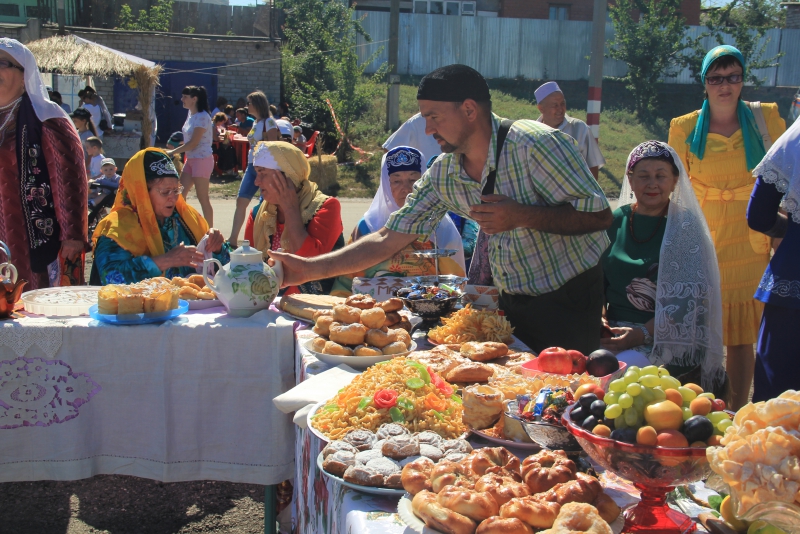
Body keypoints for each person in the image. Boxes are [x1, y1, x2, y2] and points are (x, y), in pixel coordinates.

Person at [271, 65, 612, 353]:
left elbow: (600, 216)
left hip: (571, 300)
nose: (428, 129)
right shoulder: (444, 172)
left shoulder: (537, 144)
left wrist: (522, 215)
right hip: (512, 302)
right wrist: (306, 270)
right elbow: (388, 237)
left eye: (433, 117)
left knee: (564, 403)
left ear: (468, 110)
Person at [668, 45, 786, 410]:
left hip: (751, 239)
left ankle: (736, 412)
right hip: (703, 237)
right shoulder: (683, 127)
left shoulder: (766, 117)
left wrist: (781, 237)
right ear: (704, 83)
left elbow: (785, 178)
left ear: (742, 79)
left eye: (733, 76)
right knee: (698, 334)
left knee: (740, 339)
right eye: (716, 78)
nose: (725, 85)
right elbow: (674, 187)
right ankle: (699, 411)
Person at [600, 141, 725, 391]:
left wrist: (641, 334)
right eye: (643, 176)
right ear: (631, 179)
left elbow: (688, 304)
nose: (652, 184)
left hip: (665, 337)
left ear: (675, 180)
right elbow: (595, 281)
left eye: (661, 176)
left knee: (611, 379)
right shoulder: (615, 220)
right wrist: (599, 321)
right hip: (614, 332)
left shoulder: (686, 228)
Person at [0, 38, 87, 289]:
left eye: (3, 63)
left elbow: (70, 178)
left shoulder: (47, 117)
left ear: (23, 73)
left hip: (32, 238)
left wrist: (72, 236)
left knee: (34, 308)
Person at [331, 147, 466, 296]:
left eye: (413, 180)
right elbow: (345, 283)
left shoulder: (440, 227)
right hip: (375, 313)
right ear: (385, 185)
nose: (406, 188)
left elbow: (455, 284)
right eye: (396, 181)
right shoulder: (367, 227)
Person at [92, 148, 231, 285]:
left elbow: (229, 268)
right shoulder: (117, 227)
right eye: (165, 192)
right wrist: (165, 261)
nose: (173, 198)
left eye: (176, 190)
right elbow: (110, 278)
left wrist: (218, 248)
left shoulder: (187, 218)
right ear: (142, 193)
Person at [747, 118, 800, 401]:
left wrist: (790, 233)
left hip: (793, 279)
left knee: (778, 406)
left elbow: (758, 215)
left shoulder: (796, 138)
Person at [247, 142, 344, 295]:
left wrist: (290, 208)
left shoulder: (326, 207)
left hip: (316, 308)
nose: (256, 182)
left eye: (263, 173)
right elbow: (247, 266)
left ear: (286, 175)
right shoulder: (259, 214)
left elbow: (309, 263)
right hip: (270, 307)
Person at [228, 91, 280, 248]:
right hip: (252, 166)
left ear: (257, 104)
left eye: (249, 103)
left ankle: (263, 243)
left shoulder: (269, 122)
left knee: (265, 206)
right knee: (241, 200)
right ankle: (232, 240)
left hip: (265, 168)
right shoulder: (257, 122)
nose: (246, 106)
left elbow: (274, 146)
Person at [535, 81, 606, 180]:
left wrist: (592, 193)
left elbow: (592, 165)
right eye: (555, 105)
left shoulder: (579, 128)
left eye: (562, 104)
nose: (560, 109)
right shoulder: (533, 133)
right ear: (541, 108)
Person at [166, 86, 215, 226]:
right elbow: (189, 140)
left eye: (185, 97)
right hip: (192, 159)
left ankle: (210, 232)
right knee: (179, 194)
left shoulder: (203, 116)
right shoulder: (191, 114)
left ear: (195, 99)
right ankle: (184, 225)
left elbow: (193, 143)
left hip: (202, 159)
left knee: (202, 197)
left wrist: (172, 151)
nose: (182, 99)